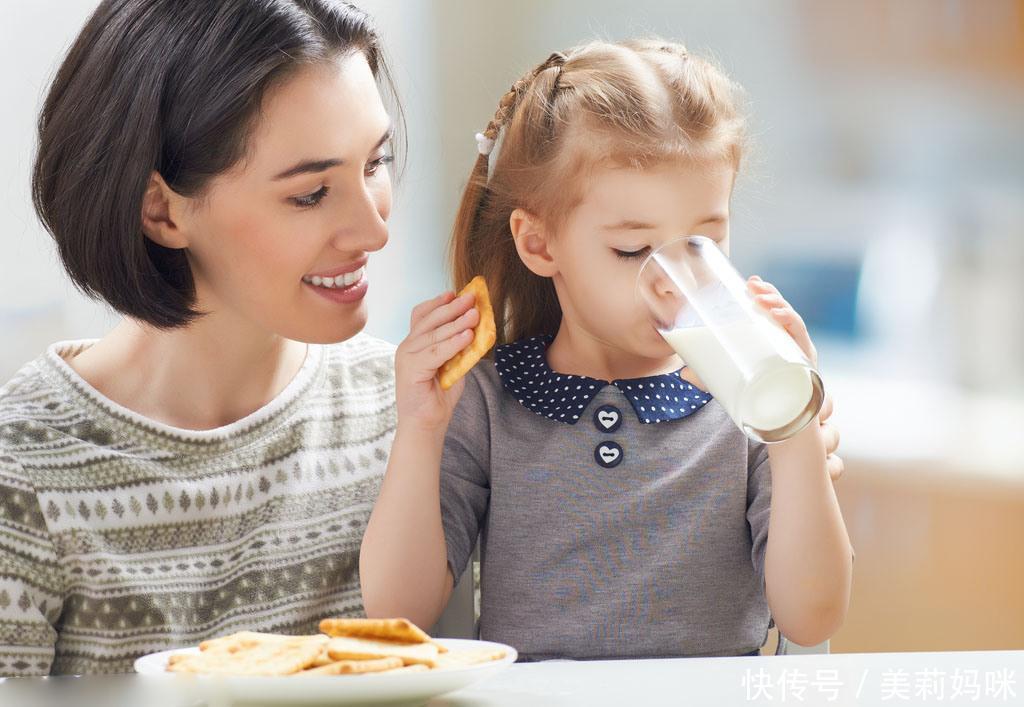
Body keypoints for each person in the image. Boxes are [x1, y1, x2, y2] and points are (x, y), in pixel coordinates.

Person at [361, 39, 852, 660]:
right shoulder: (489, 399)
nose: (675, 279)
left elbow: (812, 619)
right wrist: (421, 431)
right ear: (539, 245)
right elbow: (396, 612)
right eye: (632, 250)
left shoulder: (748, 395)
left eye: (704, 242)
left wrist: (794, 431)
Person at [0, 0, 400, 676]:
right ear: (160, 209)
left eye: (375, 163)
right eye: (311, 193)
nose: (374, 231)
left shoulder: (408, 413)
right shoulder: (25, 470)